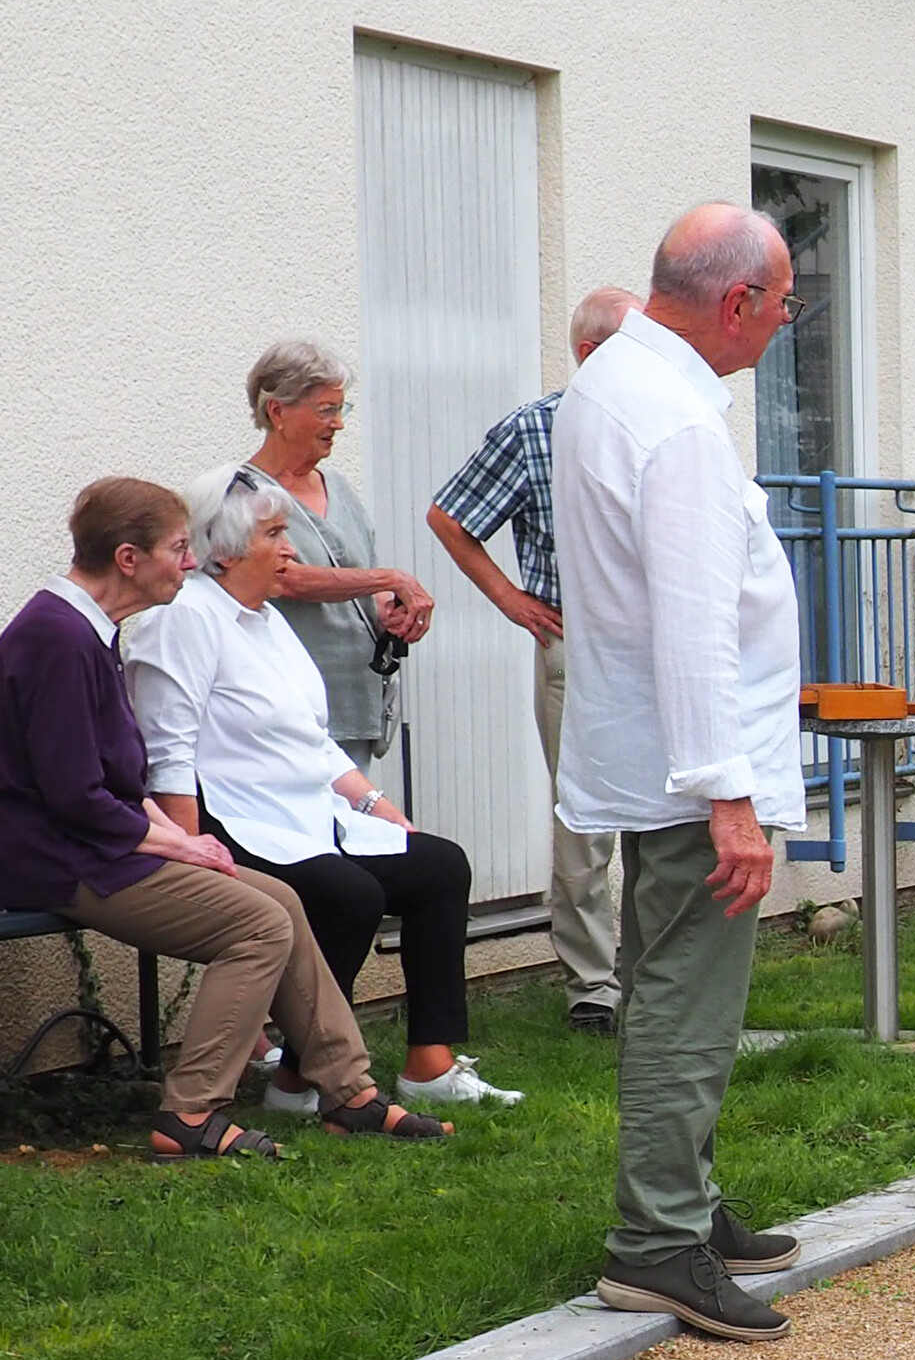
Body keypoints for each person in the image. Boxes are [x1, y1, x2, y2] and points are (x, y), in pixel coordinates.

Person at [0, 479, 432, 1157]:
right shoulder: (56, 638)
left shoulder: (88, 629)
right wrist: (177, 846)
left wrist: (177, 837)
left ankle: (350, 1094)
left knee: (281, 901)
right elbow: (73, 798)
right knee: (257, 924)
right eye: (179, 548)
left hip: (97, 846)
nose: (192, 561)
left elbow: (114, 776)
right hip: (61, 862)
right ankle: (190, 1115)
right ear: (127, 559)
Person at [556, 204, 810, 1343]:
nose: (784, 323)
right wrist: (731, 797)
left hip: (649, 749)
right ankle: (655, 1242)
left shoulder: (614, 384)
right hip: (689, 767)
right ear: (736, 301)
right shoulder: (672, 422)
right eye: (784, 301)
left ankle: (685, 1206)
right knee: (682, 1003)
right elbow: (696, 626)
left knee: (672, 987)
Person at [127, 466, 516, 1114]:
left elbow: (313, 737)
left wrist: (376, 805)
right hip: (231, 819)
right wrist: (192, 853)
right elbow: (168, 754)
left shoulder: (264, 619)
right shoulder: (185, 620)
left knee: (439, 866)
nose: (289, 549)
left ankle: (431, 1064)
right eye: (275, 534)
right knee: (349, 896)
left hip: (307, 813)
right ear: (225, 549)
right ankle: (298, 1079)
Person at [427, 286, 641, 1035]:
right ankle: (594, 985)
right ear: (588, 353)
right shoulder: (533, 429)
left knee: (663, 810)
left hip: (657, 642)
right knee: (584, 815)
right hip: (575, 641)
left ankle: (653, 972)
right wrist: (509, 599)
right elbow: (449, 516)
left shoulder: (665, 423)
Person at [240, 341, 434, 765]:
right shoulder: (245, 495)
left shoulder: (339, 488)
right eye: (325, 410)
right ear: (277, 412)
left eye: (340, 410)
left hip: (354, 703)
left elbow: (360, 574)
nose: (337, 425)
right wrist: (390, 579)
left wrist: (389, 611)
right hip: (289, 710)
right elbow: (286, 578)